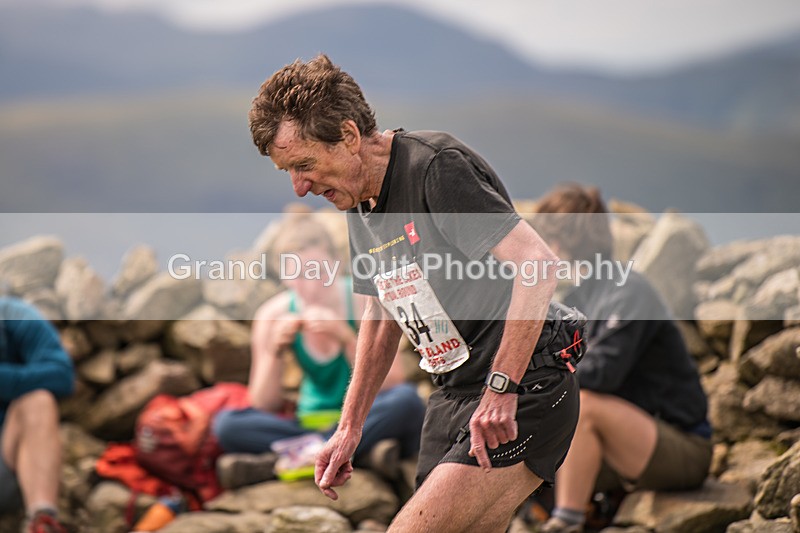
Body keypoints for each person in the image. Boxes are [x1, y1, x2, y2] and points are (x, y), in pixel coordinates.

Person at [247, 54, 585, 531]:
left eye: (303, 165)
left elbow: (537, 266)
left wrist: (501, 388)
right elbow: (381, 315)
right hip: (453, 394)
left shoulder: (436, 168)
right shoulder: (357, 201)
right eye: (288, 173)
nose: (299, 188)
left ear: (347, 136)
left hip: (522, 387)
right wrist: (349, 429)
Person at [530, 184, 712, 533]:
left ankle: (566, 523)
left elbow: (601, 375)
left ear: (556, 244)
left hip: (683, 445)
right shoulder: (585, 295)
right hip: (628, 439)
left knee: (582, 402)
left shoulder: (629, 291)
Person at [212, 213, 426, 488]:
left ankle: (295, 458)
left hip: (358, 420)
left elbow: (394, 382)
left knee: (406, 402)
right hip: (309, 423)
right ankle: (347, 454)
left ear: (337, 264)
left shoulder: (363, 301)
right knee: (226, 425)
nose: (311, 285)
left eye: (319, 271)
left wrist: (346, 338)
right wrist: (276, 352)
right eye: (298, 275)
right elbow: (264, 403)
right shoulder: (272, 315)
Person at [0, 297, 75, 533]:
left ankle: (42, 521)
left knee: (38, 402)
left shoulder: (16, 316)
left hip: (6, 462)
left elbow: (61, 374)